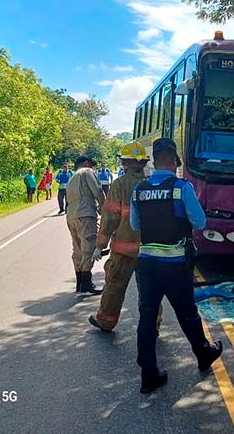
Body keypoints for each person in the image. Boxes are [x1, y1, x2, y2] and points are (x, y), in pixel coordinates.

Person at [130, 137, 222, 394]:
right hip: (175, 264)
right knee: (186, 312)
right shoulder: (182, 188)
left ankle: (148, 375)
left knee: (147, 317)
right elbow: (200, 222)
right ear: (173, 161)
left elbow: (136, 226)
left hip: (146, 264)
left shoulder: (138, 189)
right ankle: (203, 353)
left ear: (154, 161)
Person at [89, 142, 159, 332]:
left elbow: (110, 217)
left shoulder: (119, 184)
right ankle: (153, 325)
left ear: (125, 163)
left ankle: (106, 321)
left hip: (123, 249)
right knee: (150, 290)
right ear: (143, 163)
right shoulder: (153, 184)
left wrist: (99, 245)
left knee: (114, 286)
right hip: (149, 249)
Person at [65, 155, 105, 295]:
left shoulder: (71, 178)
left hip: (71, 216)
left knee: (77, 249)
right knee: (88, 247)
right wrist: (104, 207)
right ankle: (87, 283)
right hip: (85, 214)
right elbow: (98, 190)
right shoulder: (87, 172)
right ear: (87, 163)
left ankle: (80, 283)